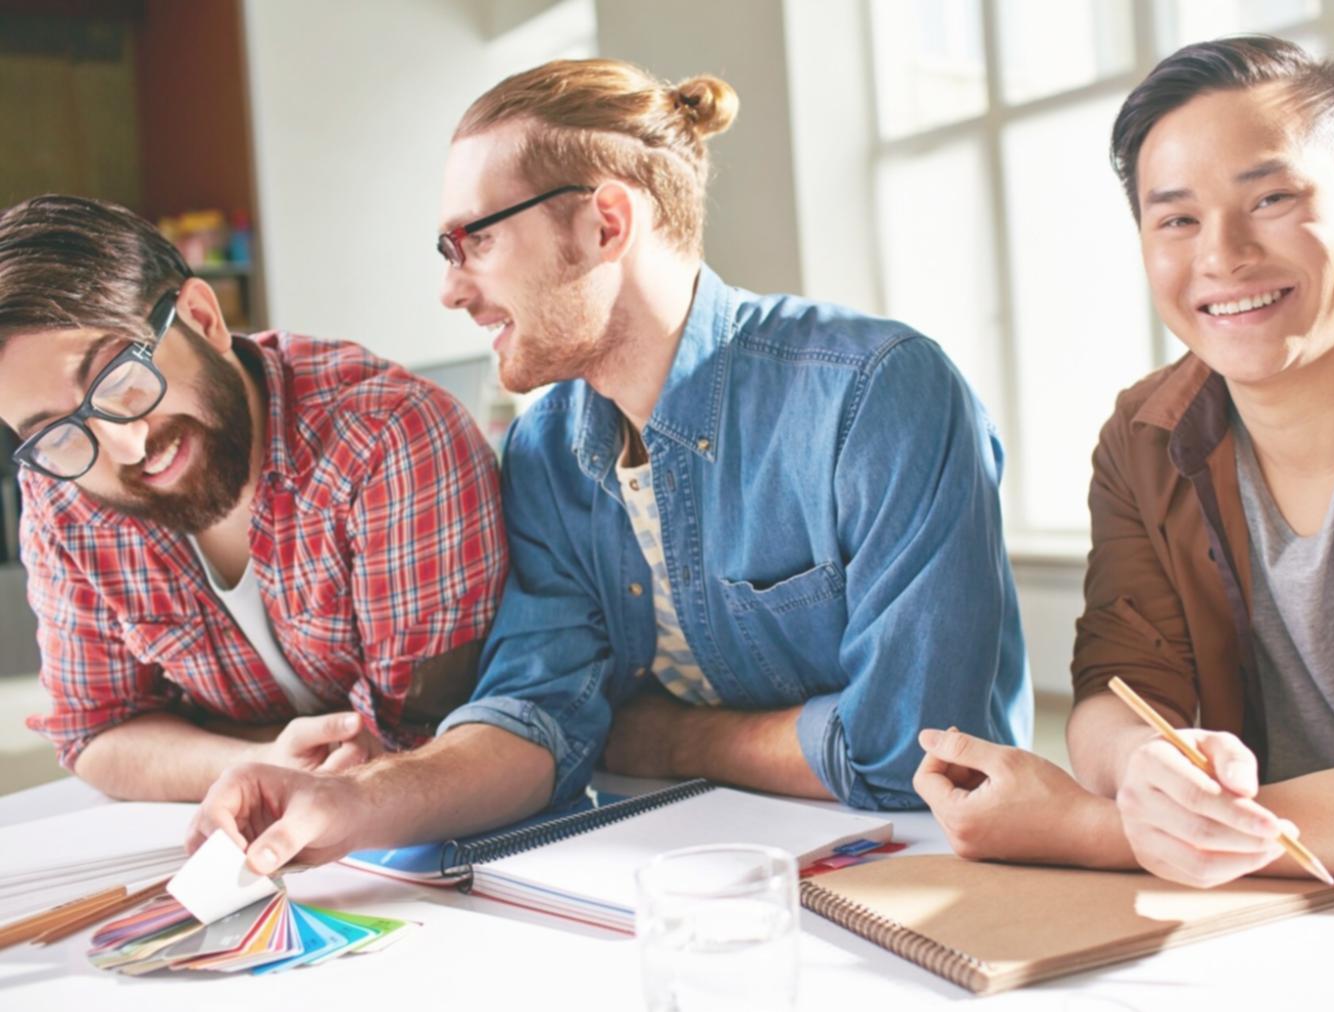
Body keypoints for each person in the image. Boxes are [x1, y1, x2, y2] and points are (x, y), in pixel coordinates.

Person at [910, 36, 1334, 1012]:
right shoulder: (1143, 435)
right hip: (1271, 938)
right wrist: (1140, 765)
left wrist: (1098, 827)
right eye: (1175, 218)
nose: (1220, 256)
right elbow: (1113, 688)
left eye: (1270, 200)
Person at [189, 60, 1029, 866]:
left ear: (606, 224)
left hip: (912, 880)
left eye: (472, 240)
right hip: (681, 867)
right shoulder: (546, 448)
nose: (451, 290)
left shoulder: (875, 395)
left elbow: (914, 756)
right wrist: (355, 803)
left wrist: (662, 736)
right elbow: (536, 715)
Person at [0, 195, 507, 802]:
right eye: (57, 431)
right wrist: (260, 759)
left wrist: (193, 738)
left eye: (121, 380)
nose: (126, 446)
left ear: (202, 317)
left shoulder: (386, 437)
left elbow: (419, 738)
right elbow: (96, 733)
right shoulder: (62, 491)